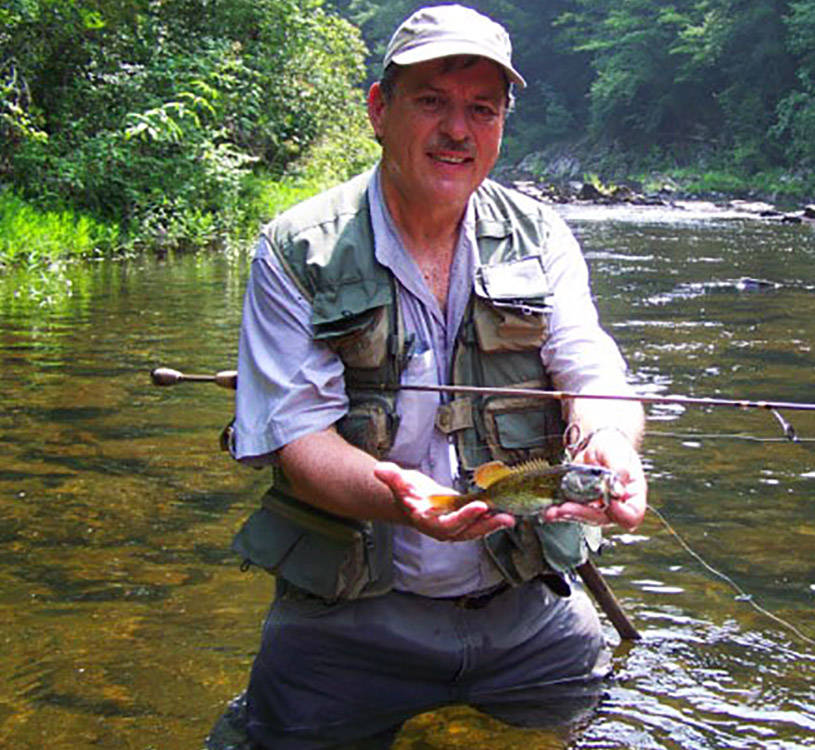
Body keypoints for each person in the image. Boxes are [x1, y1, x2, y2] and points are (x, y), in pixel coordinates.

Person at [211, 5, 647, 749]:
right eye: (432, 102)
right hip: (346, 620)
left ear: (503, 124)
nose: (457, 130)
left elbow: (590, 364)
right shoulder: (297, 251)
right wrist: (397, 497)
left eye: (482, 109)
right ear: (380, 110)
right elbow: (298, 441)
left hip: (524, 608)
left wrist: (610, 439)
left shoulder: (542, 237)